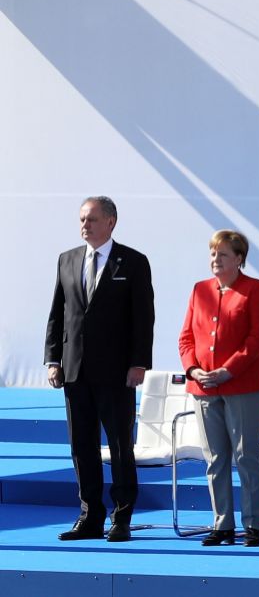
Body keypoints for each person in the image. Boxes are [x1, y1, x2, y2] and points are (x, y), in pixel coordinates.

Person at [45, 195, 153, 543]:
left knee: (120, 445)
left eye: (91, 219)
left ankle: (122, 516)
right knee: (82, 445)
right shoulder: (67, 259)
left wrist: (139, 362)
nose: (84, 225)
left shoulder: (134, 262)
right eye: (81, 219)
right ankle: (90, 515)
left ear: (111, 222)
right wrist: (52, 359)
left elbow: (143, 318)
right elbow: (57, 313)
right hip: (75, 370)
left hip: (117, 371)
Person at [178, 230, 259, 547]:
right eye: (213, 254)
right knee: (215, 459)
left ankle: (252, 525)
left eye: (223, 255)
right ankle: (222, 524)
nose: (216, 260)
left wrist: (227, 371)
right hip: (204, 388)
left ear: (239, 259)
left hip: (244, 387)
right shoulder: (199, 289)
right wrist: (193, 369)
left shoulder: (254, 289)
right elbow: (187, 337)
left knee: (246, 456)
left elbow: (257, 339)